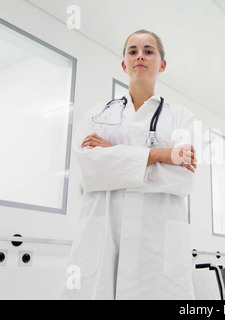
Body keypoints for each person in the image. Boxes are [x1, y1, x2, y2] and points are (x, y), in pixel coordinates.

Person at [60, 29, 197, 300]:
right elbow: (90, 170)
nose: (140, 57)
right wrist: (159, 155)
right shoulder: (98, 115)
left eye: (148, 51)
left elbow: (182, 179)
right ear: (124, 64)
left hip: (157, 244)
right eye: (132, 51)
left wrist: (113, 155)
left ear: (162, 64)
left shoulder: (182, 117)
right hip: (101, 237)